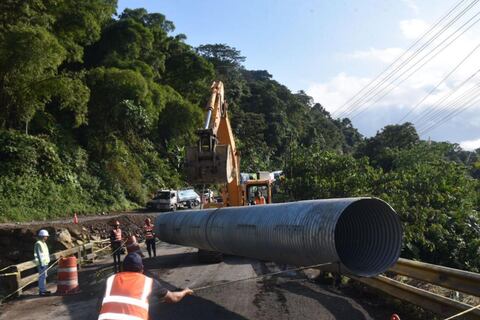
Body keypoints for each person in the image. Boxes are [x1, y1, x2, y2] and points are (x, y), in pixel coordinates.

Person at [98, 253, 193, 320]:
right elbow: (173, 298)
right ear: (142, 269)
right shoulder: (149, 282)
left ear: (122, 268)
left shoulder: (110, 280)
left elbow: (100, 306)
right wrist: (185, 291)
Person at [34, 229, 51, 296]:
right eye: (46, 236)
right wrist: (42, 263)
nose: (47, 237)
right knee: (41, 277)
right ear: (42, 236)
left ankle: (44, 290)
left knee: (44, 276)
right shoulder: (38, 244)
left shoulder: (43, 243)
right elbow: (40, 254)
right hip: (42, 263)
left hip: (45, 263)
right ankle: (42, 291)